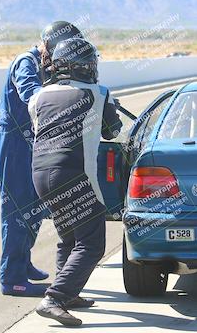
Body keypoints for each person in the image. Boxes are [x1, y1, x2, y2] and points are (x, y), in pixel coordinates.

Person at [28, 38, 122, 325]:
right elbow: (112, 132)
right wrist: (111, 107)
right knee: (92, 242)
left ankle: (69, 292)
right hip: (74, 175)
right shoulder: (99, 93)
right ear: (85, 66)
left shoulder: (39, 96)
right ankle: (55, 298)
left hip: (41, 176)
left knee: (69, 236)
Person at [0, 21, 84, 297]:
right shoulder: (26, 62)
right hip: (15, 143)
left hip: (34, 141)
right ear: (48, 46)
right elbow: (31, 94)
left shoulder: (47, 63)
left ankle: (23, 262)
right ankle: (13, 279)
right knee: (17, 210)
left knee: (34, 208)